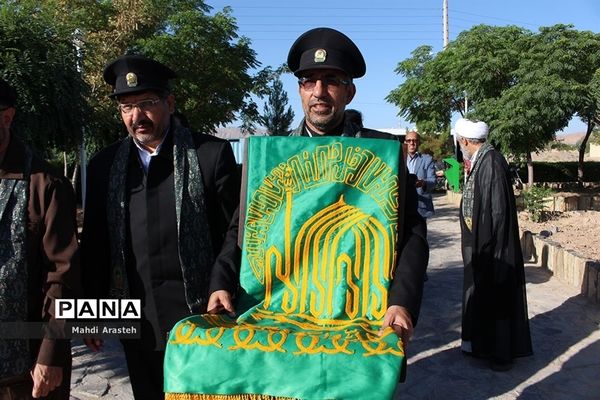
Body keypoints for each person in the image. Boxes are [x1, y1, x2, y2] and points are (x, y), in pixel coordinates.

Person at [209, 27, 429, 350]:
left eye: (331, 80)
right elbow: (243, 228)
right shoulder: (272, 157)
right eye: (309, 80)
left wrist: (402, 302)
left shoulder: (382, 153)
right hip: (285, 326)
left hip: (360, 324)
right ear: (299, 90)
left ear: (350, 92)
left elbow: (411, 233)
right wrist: (221, 282)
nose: (319, 91)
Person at [80, 55, 240, 399]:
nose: (136, 116)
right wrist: (89, 314)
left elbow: (237, 231)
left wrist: (221, 283)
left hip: (201, 315)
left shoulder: (210, 155)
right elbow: (94, 244)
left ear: (169, 102)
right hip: (136, 321)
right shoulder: (104, 166)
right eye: (126, 107)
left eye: (146, 104)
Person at [0, 78, 80, 399]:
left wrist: (51, 355)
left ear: (7, 117)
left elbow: (64, 276)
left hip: (28, 370)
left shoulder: (47, 184)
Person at [454, 117, 532, 371]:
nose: (459, 145)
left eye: (459, 141)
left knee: (497, 298)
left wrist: (487, 246)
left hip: (494, 247)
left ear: (465, 140)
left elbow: (496, 212)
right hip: (482, 244)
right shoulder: (481, 160)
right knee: (481, 296)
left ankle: (499, 353)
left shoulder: (492, 162)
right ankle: (480, 345)